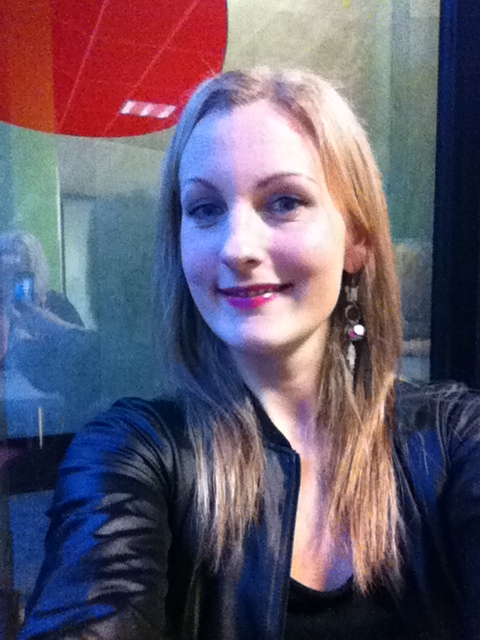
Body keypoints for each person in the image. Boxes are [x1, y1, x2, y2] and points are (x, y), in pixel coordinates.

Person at [20, 68, 480, 639]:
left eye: (284, 202)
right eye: (204, 209)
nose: (237, 247)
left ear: (357, 239)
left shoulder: (453, 437)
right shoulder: (134, 453)